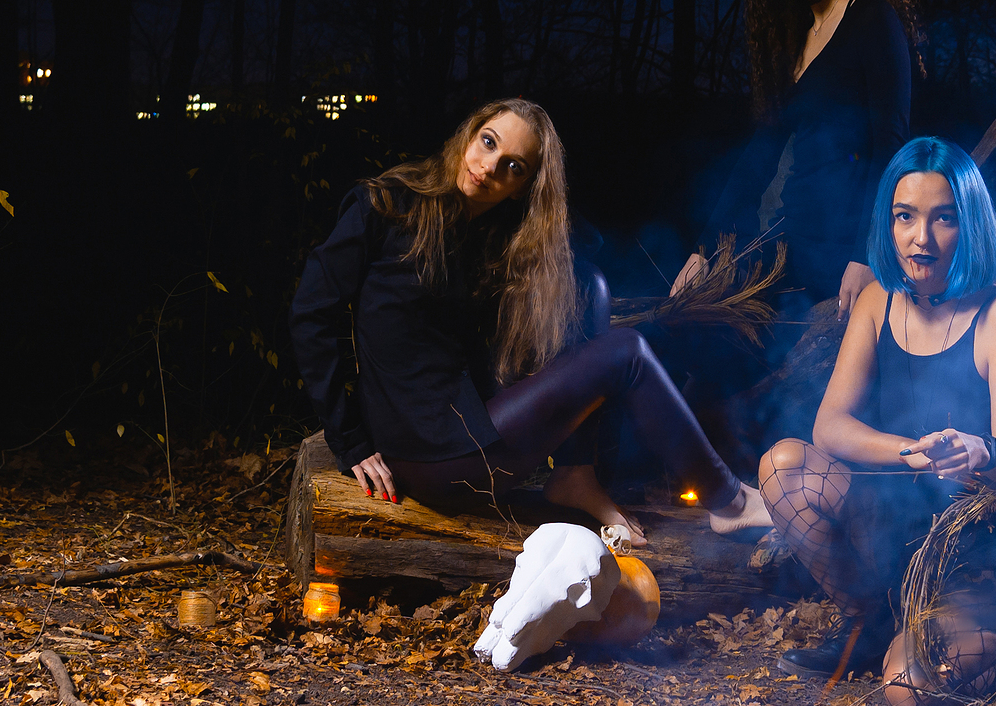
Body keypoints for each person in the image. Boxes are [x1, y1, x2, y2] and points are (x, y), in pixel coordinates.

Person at [290, 98, 772, 549]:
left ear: (526, 185)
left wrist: (543, 203)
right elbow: (313, 315)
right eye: (488, 141)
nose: (489, 167)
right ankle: (728, 500)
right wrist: (348, 439)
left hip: (466, 425)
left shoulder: (492, 234)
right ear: (468, 134)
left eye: (513, 167)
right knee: (625, 352)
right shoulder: (385, 205)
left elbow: (588, 242)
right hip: (429, 452)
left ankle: (576, 475)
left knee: (588, 284)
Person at [756, 137, 996, 706]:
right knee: (783, 466)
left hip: (976, 549)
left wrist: (979, 451)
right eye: (905, 217)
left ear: (971, 227)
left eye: (944, 219)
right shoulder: (877, 301)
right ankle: (870, 622)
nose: (922, 238)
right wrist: (913, 451)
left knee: (908, 694)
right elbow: (830, 427)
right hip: (890, 531)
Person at [672, 0, 914, 320]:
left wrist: (867, 255)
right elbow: (758, 158)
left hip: (846, 243)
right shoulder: (794, 41)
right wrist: (705, 251)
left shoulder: (872, 18)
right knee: (692, 320)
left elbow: (890, 144)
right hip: (793, 236)